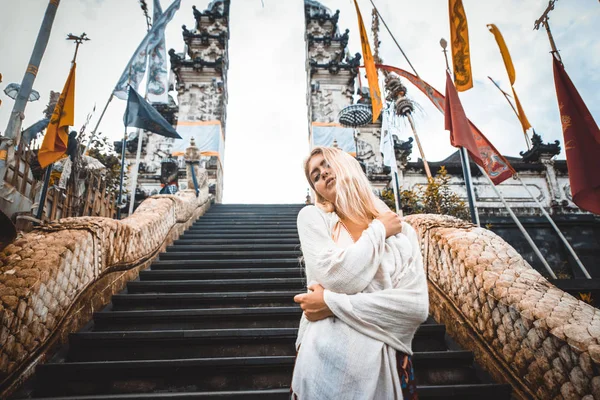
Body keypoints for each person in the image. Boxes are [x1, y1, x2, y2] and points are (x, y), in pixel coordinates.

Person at [291, 146, 429, 399]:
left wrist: (329, 303)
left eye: (327, 164)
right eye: (315, 176)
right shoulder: (313, 219)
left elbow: (416, 307)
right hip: (323, 364)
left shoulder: (403, 232)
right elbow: (338, 276)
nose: (323, 174)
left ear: (347, 163)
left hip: (385, 367)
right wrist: (377, 230)